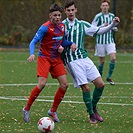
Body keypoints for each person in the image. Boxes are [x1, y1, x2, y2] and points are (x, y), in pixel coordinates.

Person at [48, 0, 120, 124]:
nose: (70, 12)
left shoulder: (82, 24)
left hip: (84, 58)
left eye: (72, 10)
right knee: (86, 88)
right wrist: (59, 49)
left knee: (100, 84)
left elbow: (99, 30)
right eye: (68, 10)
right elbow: (54, 40)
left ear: (76, 10)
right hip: (71, 60)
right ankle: (91, 115)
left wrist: (112, 25)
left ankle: (93, 107)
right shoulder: (61, 26)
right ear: (65, 11)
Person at [22, 3, 76, 123]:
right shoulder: (45, 27)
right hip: (44, 58)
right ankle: (26, 109)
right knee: (41, 84)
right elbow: (33, 42)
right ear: (50, 15)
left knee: (65, 85)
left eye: (59, 15)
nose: (57, 17)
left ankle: (53, 110)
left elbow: (62, 41)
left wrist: (70, 44)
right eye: (55, 15)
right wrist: (32, 53)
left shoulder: (62, 26)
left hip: (56, 59)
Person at [92, 0, 118, 85]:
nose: (105, 7)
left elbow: (113, 26)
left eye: (106, 5)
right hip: (100, 42)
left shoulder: (112, 16)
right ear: (100, 7)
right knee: (102, 61)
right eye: (103, 5)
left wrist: (114, 28)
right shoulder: (98, 16)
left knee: (113, 58)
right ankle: (99, 77)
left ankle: (109, 77)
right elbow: (93, 27)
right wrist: (103, 25)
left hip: (110, 41)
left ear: (109, 7)